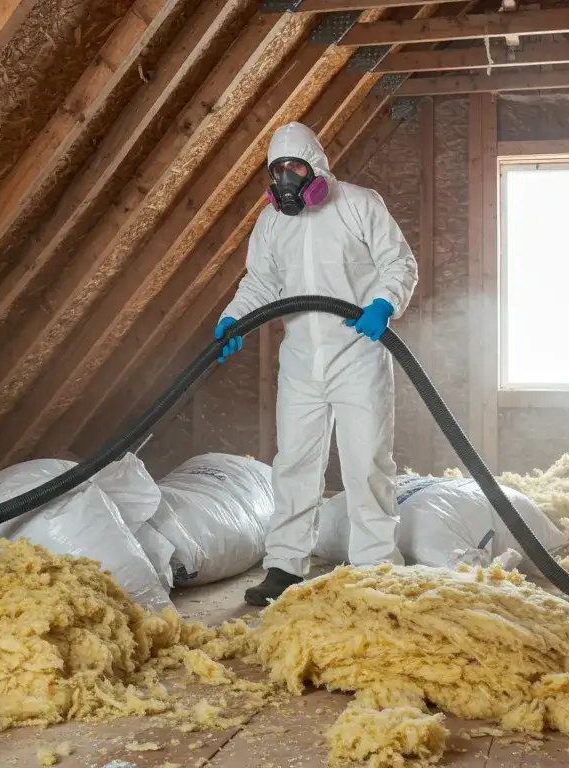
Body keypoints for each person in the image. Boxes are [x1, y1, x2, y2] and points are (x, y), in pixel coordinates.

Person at [214, 121, 418, 607]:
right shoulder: (271, 223)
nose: (286, 178)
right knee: (294, 464)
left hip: (358, 355)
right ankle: (284, 566)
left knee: (366, 461)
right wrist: (232, 320)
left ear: (317, 168)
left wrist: (384, 304)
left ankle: (375, 566)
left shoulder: (360, 205)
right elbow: (260, 285)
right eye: (277, 169)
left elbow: (399, 263)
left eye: (295, 167)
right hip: (302, 359)